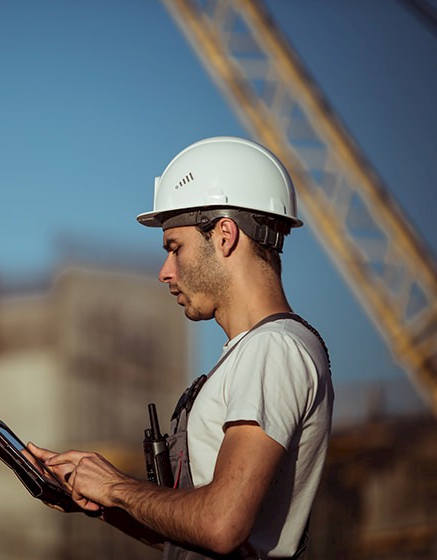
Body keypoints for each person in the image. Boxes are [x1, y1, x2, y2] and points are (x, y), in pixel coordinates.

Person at [28, 136, 334, 559]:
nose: (164, 272)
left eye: (175, 248)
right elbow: (196, 532)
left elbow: (221, 524)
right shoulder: (254, 353)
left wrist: (116, 486)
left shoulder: (275, 349)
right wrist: (100, 500)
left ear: (225, 235)